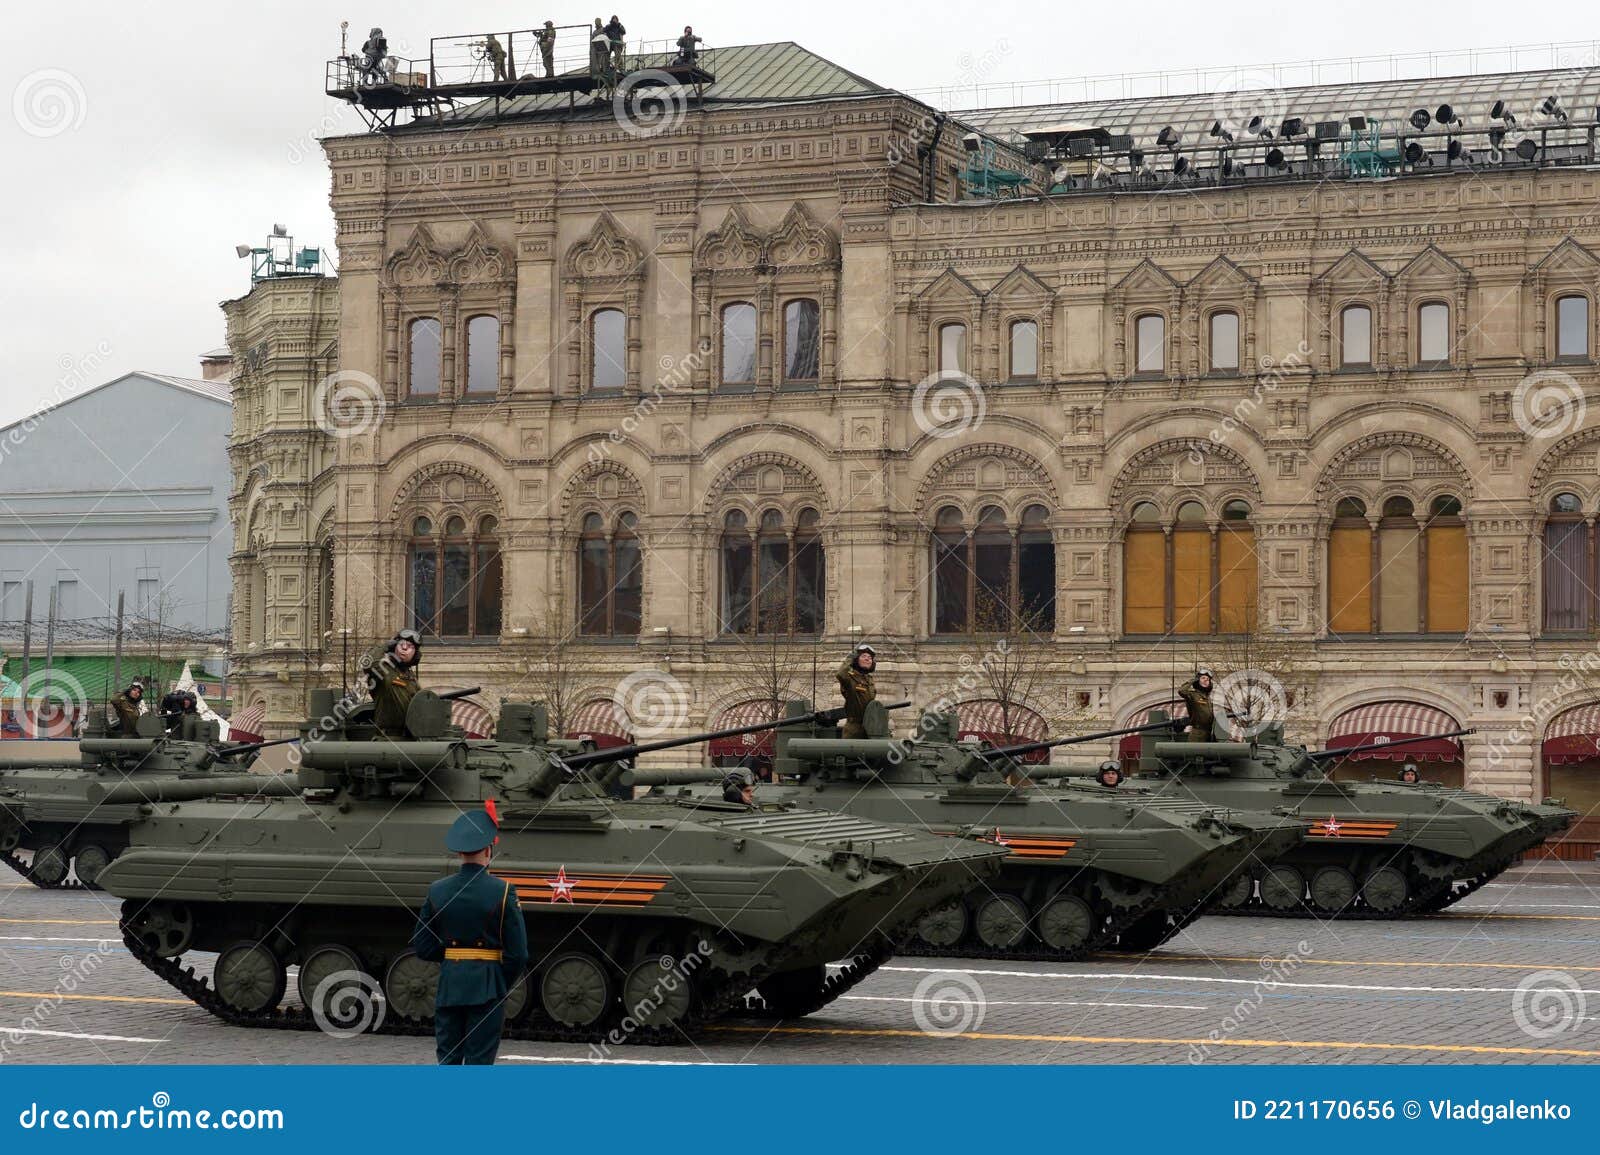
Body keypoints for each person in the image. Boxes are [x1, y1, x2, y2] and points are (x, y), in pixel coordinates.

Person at [411, 806, 529, 1065]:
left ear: (459, 852)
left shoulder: (437, 890)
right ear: (488, 850)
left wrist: (454, 959)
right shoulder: (503, 891)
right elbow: (518, 953)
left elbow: (422, 946)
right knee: (479, 1063)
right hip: (487, 988)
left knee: (449, 1061)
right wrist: (498, 983)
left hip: (450, 987)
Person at [364, 628, 423, 738]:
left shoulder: (411, 678)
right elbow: (368, 662)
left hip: (409, 737)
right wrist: (385, 646)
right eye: (401, 644)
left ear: (415, 654)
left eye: (410, 646)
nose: (404, 648)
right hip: (387, 738)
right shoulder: (384, 670)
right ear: (394, 647)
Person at [836, 643, 877, 740]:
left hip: (870, 727)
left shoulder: (870, 679)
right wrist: (850, 658)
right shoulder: (850, 678)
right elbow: (841, 674)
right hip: (854, 728)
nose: (868, 659)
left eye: (870, 657)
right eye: (864, 656)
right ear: (856, 660)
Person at [1178, 669, 1216, 742]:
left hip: (1209, 732)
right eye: (1203, 678)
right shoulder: (1193, 695)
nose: (1206, 680)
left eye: (1208, 679)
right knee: (1196, 753)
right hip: (1198, 733)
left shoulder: (1208, 697)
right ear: (1198, 680)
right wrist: (1193, 680)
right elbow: (1181, 691)